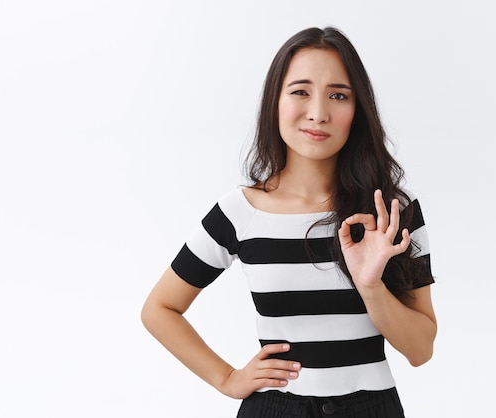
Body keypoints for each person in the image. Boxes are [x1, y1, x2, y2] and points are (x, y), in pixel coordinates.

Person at [141, 26, 436, 418]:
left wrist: (370, 286)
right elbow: (159, 309)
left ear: (357, 110)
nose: (318, 112)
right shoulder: (238, 212)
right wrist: (227, 378)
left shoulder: (391, 210)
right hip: (275, 408)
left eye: (338, 95)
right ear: (275, 102)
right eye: (300, 91)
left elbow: (421, 350)